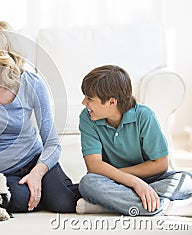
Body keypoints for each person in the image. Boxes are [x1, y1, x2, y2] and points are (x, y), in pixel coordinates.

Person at [0, 21, 80, 213]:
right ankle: (45, 194)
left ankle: (84, 191)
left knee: (63, 203)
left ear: (5, 59)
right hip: (0, 172)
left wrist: (37, 173)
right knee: (17, 202)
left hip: (34, 160)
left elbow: (52, 142)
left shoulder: (33, 84)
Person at [77, 65, 192, 216]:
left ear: (112, 102)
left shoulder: (144, 116)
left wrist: (130, 179)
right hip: (112, 181)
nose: (84, 102)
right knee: (88, 183)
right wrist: (134, 183)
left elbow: (161, 164)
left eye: (90, 99)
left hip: (145, 180)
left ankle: (111, 203)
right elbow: (94, 165)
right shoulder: (87, 118)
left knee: (186, 180)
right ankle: (162, 206)